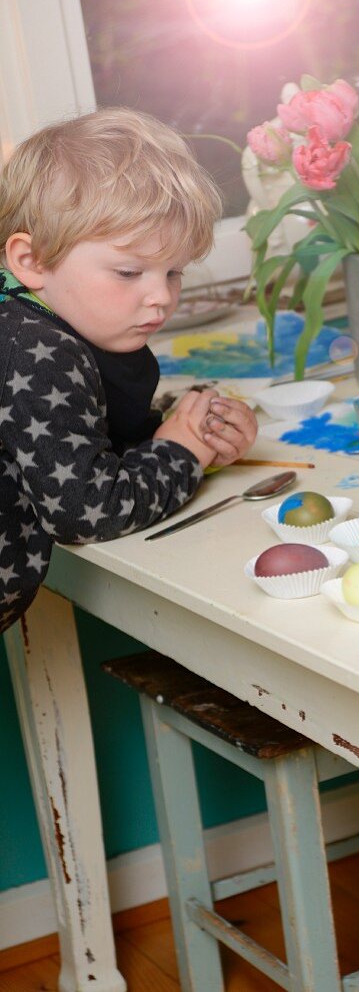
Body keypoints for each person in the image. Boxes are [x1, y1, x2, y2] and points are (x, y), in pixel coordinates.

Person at [0, 107, 258, 630]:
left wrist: (191, 431)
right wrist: (183, 453)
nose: (161, 297)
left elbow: (83, 437)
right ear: (30, 261)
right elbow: (84, 509)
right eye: (128, 271)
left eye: (174, 272)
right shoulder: (33, 349)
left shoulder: (34, 319)